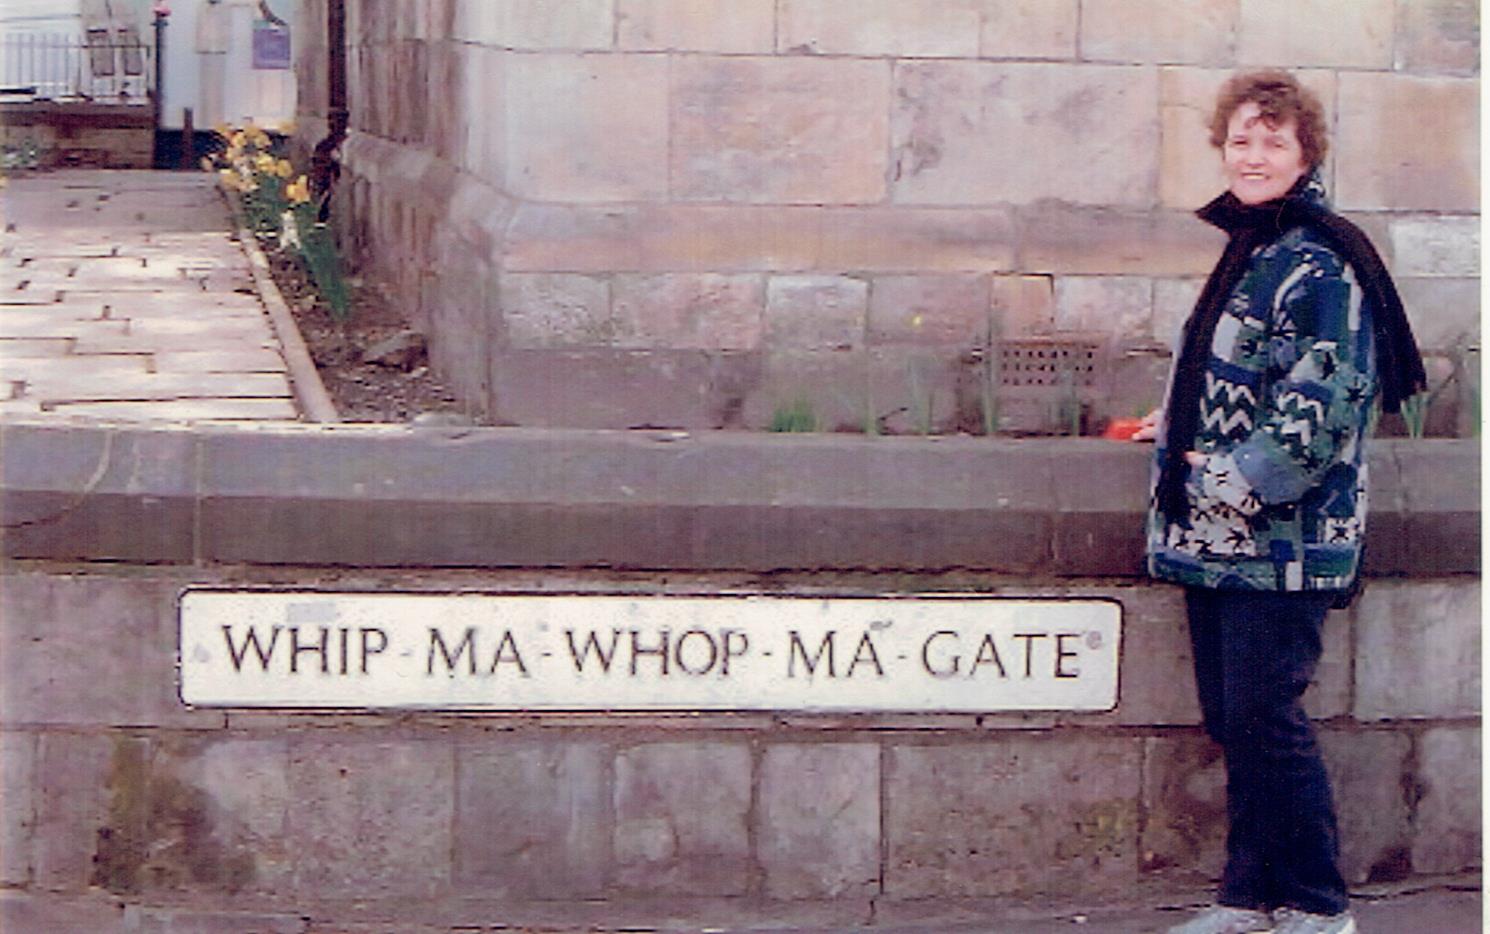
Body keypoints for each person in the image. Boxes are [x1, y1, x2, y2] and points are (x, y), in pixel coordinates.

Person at [1135, 70, 1426, 934]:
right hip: (1217, 538)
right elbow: (1244, 366)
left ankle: (1315, 905)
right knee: (1238, 721)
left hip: (1281, 536)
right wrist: (1177, 416)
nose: (1252, 154)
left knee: (1268, 718)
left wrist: (1233, 478)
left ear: (1305, 156)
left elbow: (1328, 402)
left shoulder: (1320, 258)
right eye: (1241, 139)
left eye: (1273, 140)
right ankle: (1248, 897)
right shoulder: (1259, 247)